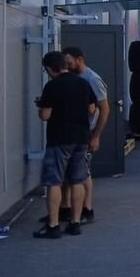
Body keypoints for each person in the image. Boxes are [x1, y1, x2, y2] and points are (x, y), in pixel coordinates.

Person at [34, 51, 96, 238]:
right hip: (81, 137)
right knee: (77, 180)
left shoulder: (52, 86)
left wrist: (40, 106)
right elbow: (92, 109)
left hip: (59, 139)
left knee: (54, 181)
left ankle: (53, 226)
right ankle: (75, 223)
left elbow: (45, 115)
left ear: (50, 69)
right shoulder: (83, 83)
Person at [63, 46, 108, 224]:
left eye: (69, 61)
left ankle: (87, 209)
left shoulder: (92, 79)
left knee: (83, 173)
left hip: (87, 131)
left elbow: (104, 109)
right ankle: (66, 208)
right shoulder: (72, 77)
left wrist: (96, 136)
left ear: (79, 59)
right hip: (73, 130)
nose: (66, 65)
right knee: (70, 172)